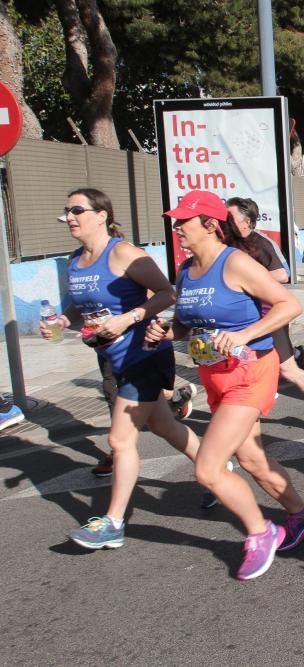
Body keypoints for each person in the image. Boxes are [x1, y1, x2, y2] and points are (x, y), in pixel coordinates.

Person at [149, 189, 304, 580]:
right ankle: (301, 515)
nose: (176, 229)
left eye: (183, 222)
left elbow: (289, 305)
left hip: (250, 373)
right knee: (252, 460)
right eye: (175, 222)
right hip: (214, 375)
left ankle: (261, 532)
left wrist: (245, 335)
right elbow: (190, 325)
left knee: (208, 470)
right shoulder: (187, 272)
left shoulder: (236, 263)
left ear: (210, 225)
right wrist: (166, 332)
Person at [45, 188, 204, 551]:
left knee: (120, 440)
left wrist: (127, 318)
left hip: (144, 355)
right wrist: (58, 322)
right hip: (114, 359)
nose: (70, 217)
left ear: (101, 215)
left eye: (77, 210)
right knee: (164, 425)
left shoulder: (123, 253)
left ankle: (113, 523)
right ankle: (217, 472)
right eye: (66, 212)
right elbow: (78, 310)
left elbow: (167, 293)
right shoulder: (74, 260)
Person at [226, 197, 304, 431]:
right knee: (241, 369)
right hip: (241, 318)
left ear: (248, 221)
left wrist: (249, 282)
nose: (226, 221)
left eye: (230, 217)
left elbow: (282, 275)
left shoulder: (261, 243)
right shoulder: (227, 241)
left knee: (287, 369)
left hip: (268, 315)